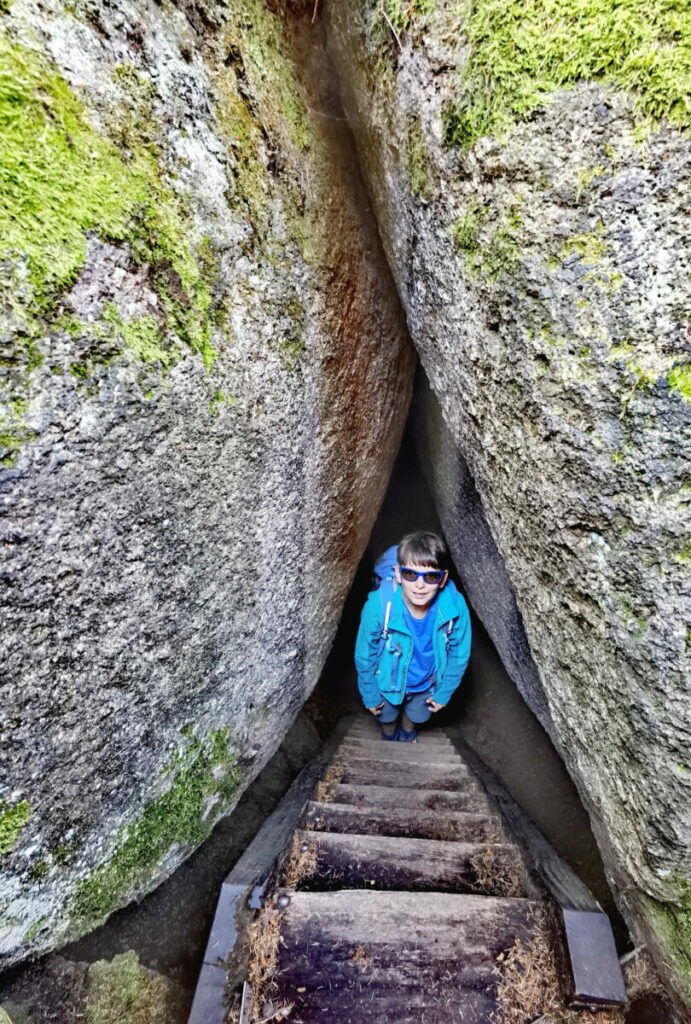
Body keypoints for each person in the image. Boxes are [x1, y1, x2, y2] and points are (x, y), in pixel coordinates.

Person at [354, 531, 471, 741]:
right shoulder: (379, 606)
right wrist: (369, 694)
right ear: (398, 574)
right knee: (386, 718)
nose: (420, 585)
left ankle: (407, 734)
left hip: (427, 682)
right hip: (387, 682)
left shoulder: (454, 606)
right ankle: (389, 737)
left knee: (416, 716)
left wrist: (444, 691)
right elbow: (364, 654)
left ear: (442, 579)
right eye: (410, 574)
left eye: (431, 576)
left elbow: (459, 654)